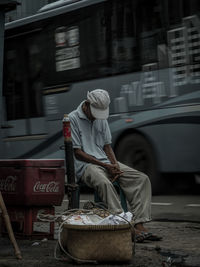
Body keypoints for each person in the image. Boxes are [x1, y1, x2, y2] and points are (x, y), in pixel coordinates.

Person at [69, 89, 162, 242]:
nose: (97, 116)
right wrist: (105, 166)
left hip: (104, 162)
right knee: (104, 183)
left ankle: (139, 224)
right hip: (85, 165)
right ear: (86, 104)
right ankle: (123, 225)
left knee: (141, 179)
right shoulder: (73, 118)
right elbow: (78, 152)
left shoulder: (101, 118)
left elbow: (107, 146)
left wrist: (114, 165)